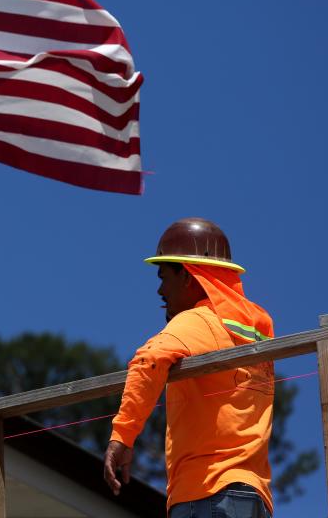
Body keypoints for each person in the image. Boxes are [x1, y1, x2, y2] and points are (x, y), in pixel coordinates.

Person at [103, 218, 275, 517]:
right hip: (253, 497)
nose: (159, 290)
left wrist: (122, 437)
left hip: (207, 493)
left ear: (188, 276)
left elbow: (149, 361)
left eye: (163, 277)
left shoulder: (199, 320)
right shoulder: (250, 331)